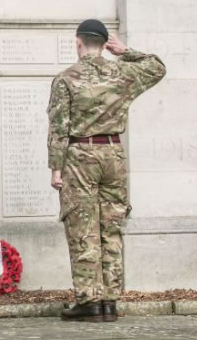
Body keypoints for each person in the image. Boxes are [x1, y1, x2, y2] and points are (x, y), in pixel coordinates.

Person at [46, 19, 166, 322]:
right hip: (114, 153)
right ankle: (110, 301)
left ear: (77, 42)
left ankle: (90, 301)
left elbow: (58, 128)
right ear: (105, 44)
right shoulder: (123, 72)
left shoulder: (66, 78)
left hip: (80, 154)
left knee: (83, 225)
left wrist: (56, 169)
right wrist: (125, 51)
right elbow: (157, 67)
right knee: (111, 226)